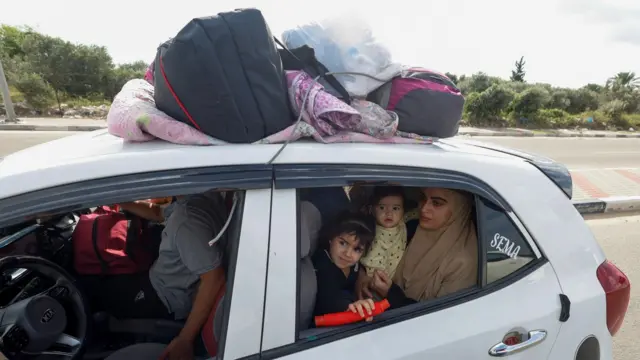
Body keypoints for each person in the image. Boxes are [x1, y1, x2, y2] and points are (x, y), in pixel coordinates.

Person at [86, 191, 229, 360]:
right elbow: (158, 212)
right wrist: (121, 201)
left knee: (94, 288)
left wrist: (185, 339)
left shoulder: (187, 222)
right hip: (166, 275)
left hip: (164, 295)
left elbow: (214, 278)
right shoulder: (202, 195)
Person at [358, 188, 478, 309]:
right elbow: (371, 251)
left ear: (459, 208)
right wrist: (362, 277)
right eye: (422, 198)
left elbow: (439, 319)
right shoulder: (410, 227)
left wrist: (391, 293)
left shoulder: (462, 263)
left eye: (437, 203)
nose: (424, 208)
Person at [311, 211, 377, 321]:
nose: (347, 253)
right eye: (343, 243)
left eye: (357, 249)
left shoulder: (353, 265)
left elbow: (357, 267)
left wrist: (363, 277)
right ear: (331, 238)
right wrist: (350, 307)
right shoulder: (322, 264)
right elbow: (330, 297)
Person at [359, 186, 417, 280]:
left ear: (403, 211)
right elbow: (371, 264)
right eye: (382, 207)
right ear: (373, 210)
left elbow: (415, 213)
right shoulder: (376, 235)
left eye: (395, 208)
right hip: (382, 279)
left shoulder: (401, 222)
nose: (389, 213)